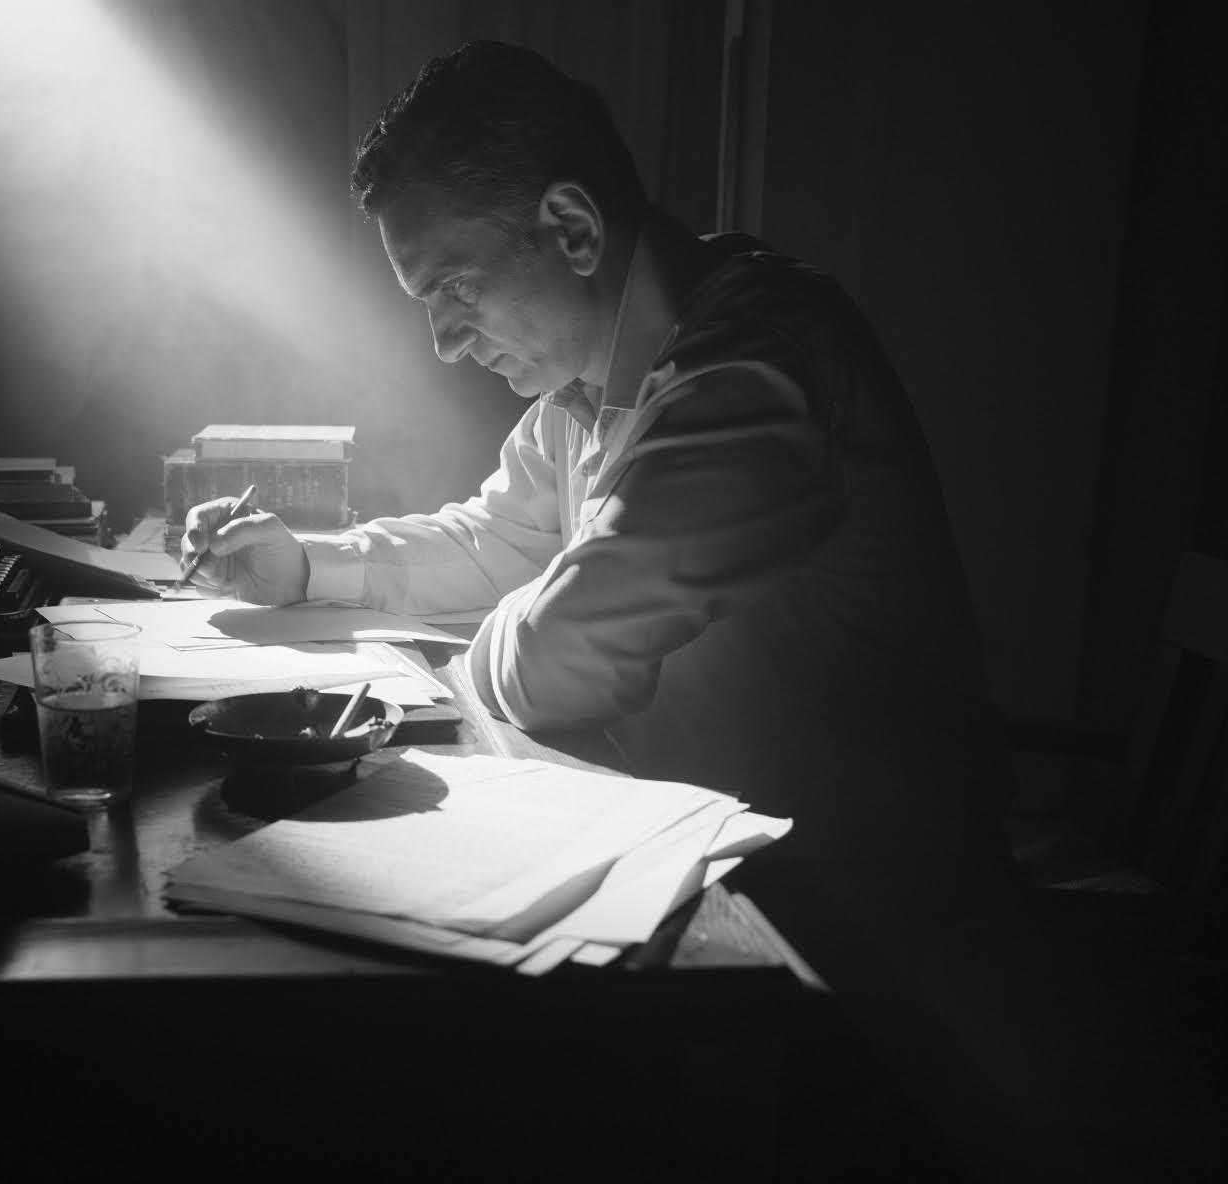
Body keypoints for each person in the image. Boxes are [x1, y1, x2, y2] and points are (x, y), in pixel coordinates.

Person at [184, 39, 1012, 871]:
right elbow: (497, 541)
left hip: (851, 889)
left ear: (573, 229)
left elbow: (562, 660)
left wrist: (485, 644)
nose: (444, 341)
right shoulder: (593, 373)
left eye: (454, 286)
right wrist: (306, 568)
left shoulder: (752, 369)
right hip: (711, 838)